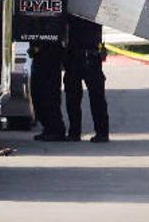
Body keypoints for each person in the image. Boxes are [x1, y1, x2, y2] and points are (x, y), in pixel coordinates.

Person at [64, 9, 110, 143]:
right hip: (87, 55)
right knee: (94, 96)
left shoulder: (74, 7)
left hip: (80, 55)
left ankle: (75, 133)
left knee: (76, 96)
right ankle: (100, 133)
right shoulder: (94, 8)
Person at [29, 41, 66, 141]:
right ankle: (48, 128)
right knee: (38, 96)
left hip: (51, 59)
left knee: (50, 96)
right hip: (39, 58)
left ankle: (56, 130)